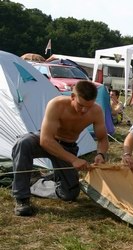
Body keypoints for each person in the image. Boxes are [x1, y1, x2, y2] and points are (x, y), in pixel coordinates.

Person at [11, 80, 109, 216]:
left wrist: (101, 154)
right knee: (23, 143)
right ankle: (21, 198)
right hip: (48, 140)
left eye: (88, 106)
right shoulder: (56, 104)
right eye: (81, 105)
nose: (84, 110)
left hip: (68, 146)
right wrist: (74, 160)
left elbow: (103, 139)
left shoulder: (96, 111)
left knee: (69, 194)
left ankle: (35, 182)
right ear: (72, 97)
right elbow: (45, 140)